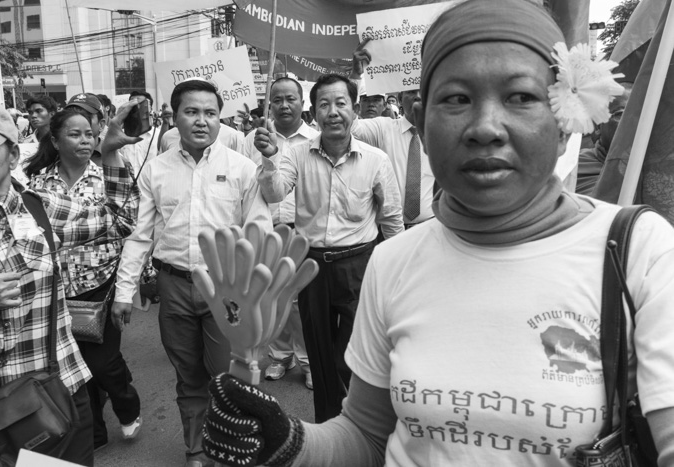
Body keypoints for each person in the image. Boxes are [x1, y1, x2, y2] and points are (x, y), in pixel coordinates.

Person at [202, 1, 674, 466]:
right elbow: (366, 435)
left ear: (566, 120)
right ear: (421, 121)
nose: (485, 127)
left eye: (521, 97)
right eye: (457, 99)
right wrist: (290, 444)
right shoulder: (392, 263)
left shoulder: (638, 253)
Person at [112, 78, 272, 467]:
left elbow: (259, 230)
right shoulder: (156, 170)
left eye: (210, 113)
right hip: (174, 286)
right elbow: (139, 235)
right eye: (192, 112)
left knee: (227, 375)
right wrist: (123, 291)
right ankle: (197, 450)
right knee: (188, 376)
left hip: (226, 287)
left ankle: (232, 446)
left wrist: (257, 292)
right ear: (174, 116)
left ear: (221, 119)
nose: (202, 121)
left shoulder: (243, 168)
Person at [0, 97, 140, 466]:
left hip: (57, 391)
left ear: (13, 156)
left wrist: (110, 153)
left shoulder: (38, 206)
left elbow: (119, 222)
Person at [254, 73, 403, 423]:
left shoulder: (375, 160)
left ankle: (360, 423)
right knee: (319, 356)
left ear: (354, 110)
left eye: (340, 103)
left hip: (359, 266)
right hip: (313, 267)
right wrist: (269, 158)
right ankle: (328, 426)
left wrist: (398, 268)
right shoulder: (295, 154)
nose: (333, 112)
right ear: (314, 112)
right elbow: (274, 193)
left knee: (352, 355)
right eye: (324, 104)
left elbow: (392, 218)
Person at [26, 108, 143, 451]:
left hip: (99, 285)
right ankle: (94, 434)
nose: (84, 140)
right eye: (75, 134)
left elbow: (126, 224)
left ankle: (126, 402)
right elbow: (37, 234)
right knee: (72, 368)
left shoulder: (109, 173)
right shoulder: (37, 182)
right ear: (55, 140)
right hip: (57, 288)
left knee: (102, 363)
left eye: (89, 135)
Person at [243, 77, 318, 389]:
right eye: (278, 99)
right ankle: (279, 355)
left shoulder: (316, 138)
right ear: (269, 104)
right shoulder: (251, 140)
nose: (285, 105)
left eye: (291, 99)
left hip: (303, 233)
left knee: (302, 300)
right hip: (266, 231)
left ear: (303, 103)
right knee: (272, 299)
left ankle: (308, 360)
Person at [350, 47, 435, 227]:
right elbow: (350, 126)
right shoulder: (383, 128)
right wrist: (356, 77)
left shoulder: (441, 134)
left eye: (422, 92)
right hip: (387, 230)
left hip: (430, 227)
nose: (418, 97)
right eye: (411, 92)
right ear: (399, 98)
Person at [576, 82, 633, 196]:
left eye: (640, 115)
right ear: (597, 126)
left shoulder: (663, 170)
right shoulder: (573, 168)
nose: (634, 122)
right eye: (621, 114)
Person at [65, 93, 106, 166]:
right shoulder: (56, 159)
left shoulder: (115, 161)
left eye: (86, 116)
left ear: (101, 125)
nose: (79, 120)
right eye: (71, 115)